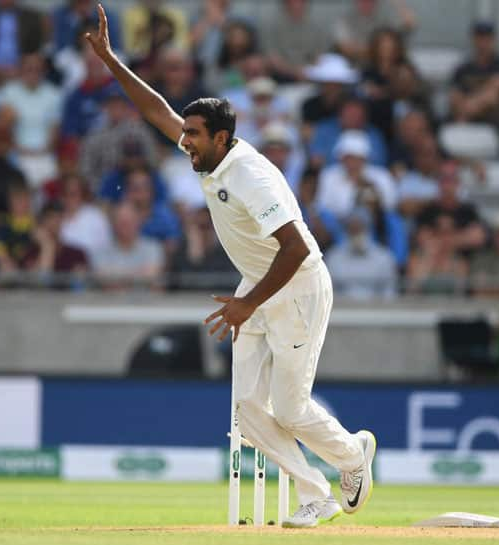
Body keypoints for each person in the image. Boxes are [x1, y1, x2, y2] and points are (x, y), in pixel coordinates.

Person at [84, 5, 374, 527]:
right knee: (245, 412)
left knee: (288, 410)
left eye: (195, 134)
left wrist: (247, 303)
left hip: (298, 287)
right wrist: (110, 60)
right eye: (187, 134)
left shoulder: (251, 177)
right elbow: (157, 111)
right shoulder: (207, 154)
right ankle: (316, 493)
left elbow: (297, 249)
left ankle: (353, 457)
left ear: (222, 137)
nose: (186, 141)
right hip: (258, 285)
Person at [449, 21, 499, 127]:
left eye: (487, 38)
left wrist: (471, 105)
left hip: (493, 122)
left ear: (493, 40)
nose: (483, 43)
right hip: (465, 119)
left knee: (492, 98)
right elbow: (455, 96)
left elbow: (494, 96)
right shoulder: (463, 69)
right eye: (480, 38)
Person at [324, 207, 397, 300]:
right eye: (353, 229)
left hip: (376, 311)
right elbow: (329, 294)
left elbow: (389, 293)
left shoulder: (384, 258)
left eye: (360, 228)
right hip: (342, 311)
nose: (356, 233)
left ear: (368, 229)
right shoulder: (334, 257)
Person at [0, 53, 63, 155]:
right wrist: (19, 150)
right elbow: (5, 129)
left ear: (44, 71)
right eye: (29, 69)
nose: (33, 73)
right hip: (15, 153)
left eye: (37, 69)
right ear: (21, 70)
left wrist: (42, 152)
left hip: (45, 153)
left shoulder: (54, 94)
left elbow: (54, 131)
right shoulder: (9, 92)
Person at [264, 0, 327, 83]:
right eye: (292, 2)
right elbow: (273, 57)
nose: (296, 5)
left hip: (311, 74)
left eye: (300, 2)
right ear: (285, 4)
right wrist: (294, 72)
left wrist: (308, 71)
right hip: (282, 74)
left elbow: (320, 56)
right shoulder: (272, 26)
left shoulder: (317, 27)